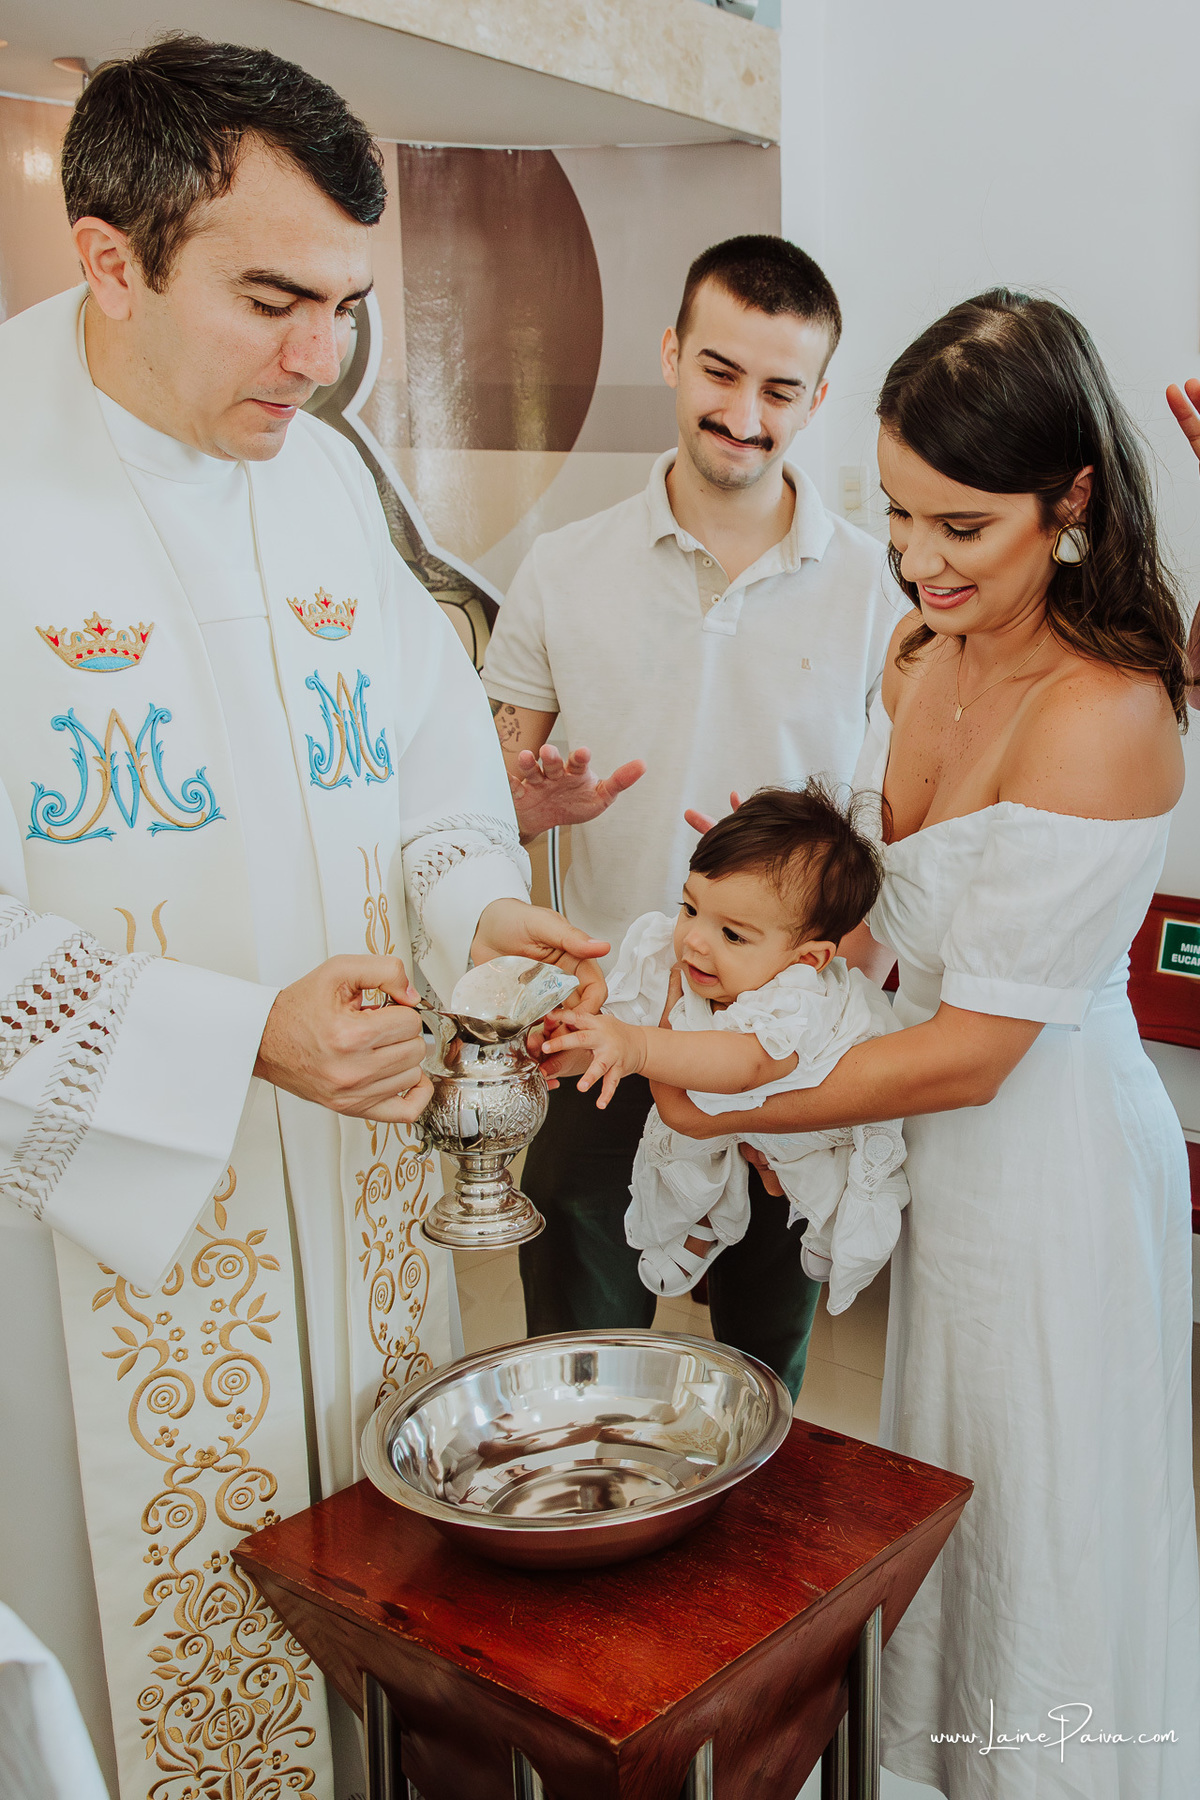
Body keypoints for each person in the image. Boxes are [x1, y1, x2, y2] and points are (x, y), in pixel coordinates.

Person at [0, 38, 605, 1800]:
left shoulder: (326, 482)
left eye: (343, 301)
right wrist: (237, 1034)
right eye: (273, 298)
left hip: (356, 1222)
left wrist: (487, 906)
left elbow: (425, 783)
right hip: (99, 1247)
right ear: (110, 257)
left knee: (373, 1634)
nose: (321, 359)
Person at [654, 290, 1200, 1797]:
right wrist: (784, 931)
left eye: (963, 525)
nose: (917, 559)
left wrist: (735, 1096)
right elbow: (903, 936)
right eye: (894, 512)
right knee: (943, 1493)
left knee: (1043, 1517)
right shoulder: (919, 653)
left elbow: (974, 1049)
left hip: (1052, 1172)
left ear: (1071, 500)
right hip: (943, 1163)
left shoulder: (1105, 712)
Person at [482, 234, 904, 1396]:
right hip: (605, 1023)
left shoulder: (883, 590)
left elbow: (899, 848)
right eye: (720, 373)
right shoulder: (563, 570)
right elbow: (472, 810)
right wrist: (519, 806)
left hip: (784, 1050)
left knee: (764, 1376)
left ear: (818, 398)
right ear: (672, 353)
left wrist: (813, 1050)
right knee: (580, 1364)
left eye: (780, 389)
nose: (744, 414)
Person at [547, 784, 908, 1310]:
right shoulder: (686, 966)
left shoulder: (797, 1001)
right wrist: (574, 1043)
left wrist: (642, 1047)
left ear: (806, 959)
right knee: (685, 1147)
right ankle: (707, 1218)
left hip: (811, 1114)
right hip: (715, 1110)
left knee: (808, 1167)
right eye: (690, 908)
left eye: (732, 934)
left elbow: (744, 1065)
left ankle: (823, 1224)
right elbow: (622, 1023)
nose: (694, 939)